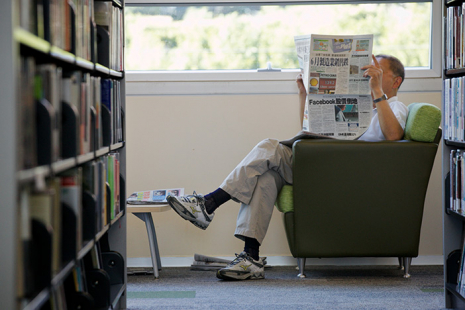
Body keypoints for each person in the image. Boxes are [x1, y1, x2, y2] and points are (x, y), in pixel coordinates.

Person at [167, 54, 409, 281]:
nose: (369, 75)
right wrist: (304, 95)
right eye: (369, 71)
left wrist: (377, 91)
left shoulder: (396, 107)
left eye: (378, 71)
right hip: (326, 165)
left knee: (268, 147)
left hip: (345, 173)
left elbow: (393, 135)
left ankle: (209, 203)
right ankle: (250, 257)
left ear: (396, 81)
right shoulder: (360, 107)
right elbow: (316, 128)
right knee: (266, 177)